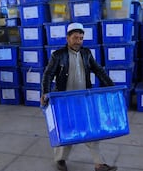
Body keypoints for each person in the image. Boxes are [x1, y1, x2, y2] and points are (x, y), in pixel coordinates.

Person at [41, 23, 117, 171]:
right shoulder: (58, 55)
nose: (78, 41)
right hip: (64, 100)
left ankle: (99, 164)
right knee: (66, 131)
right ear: (68, 38)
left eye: (81, 38)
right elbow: (48, 75)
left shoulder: (86, 53)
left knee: (91, 130)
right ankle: (60, 159)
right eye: (75, 38)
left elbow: (99, 70)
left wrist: (111, 87)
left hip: (83, 99)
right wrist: (45, 92)